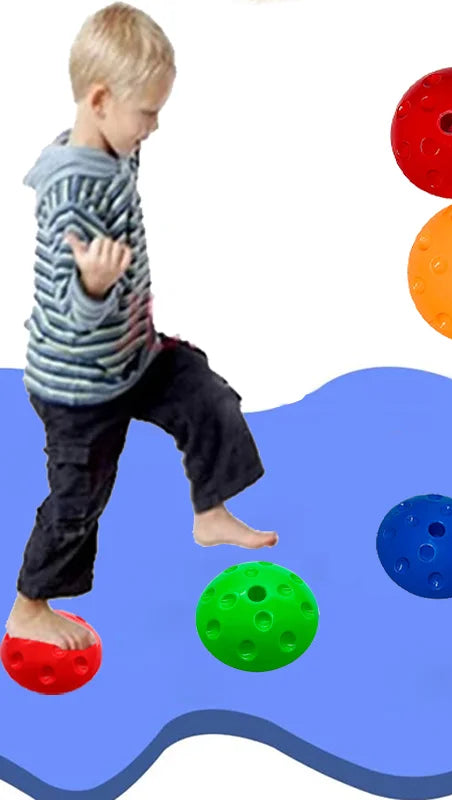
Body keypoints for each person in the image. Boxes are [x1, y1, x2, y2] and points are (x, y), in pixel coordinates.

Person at [6, 2, 277, 651]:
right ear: (99, 100)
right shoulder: (74, 188)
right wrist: (94, 287)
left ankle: (210, 511)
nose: (155, 126)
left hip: (130, 354)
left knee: (203, 393)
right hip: (78, 384)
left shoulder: (109, 143)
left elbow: (120, 146)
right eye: (147, 112)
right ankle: (28, 606)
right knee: (78, 500)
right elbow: (63, 303)